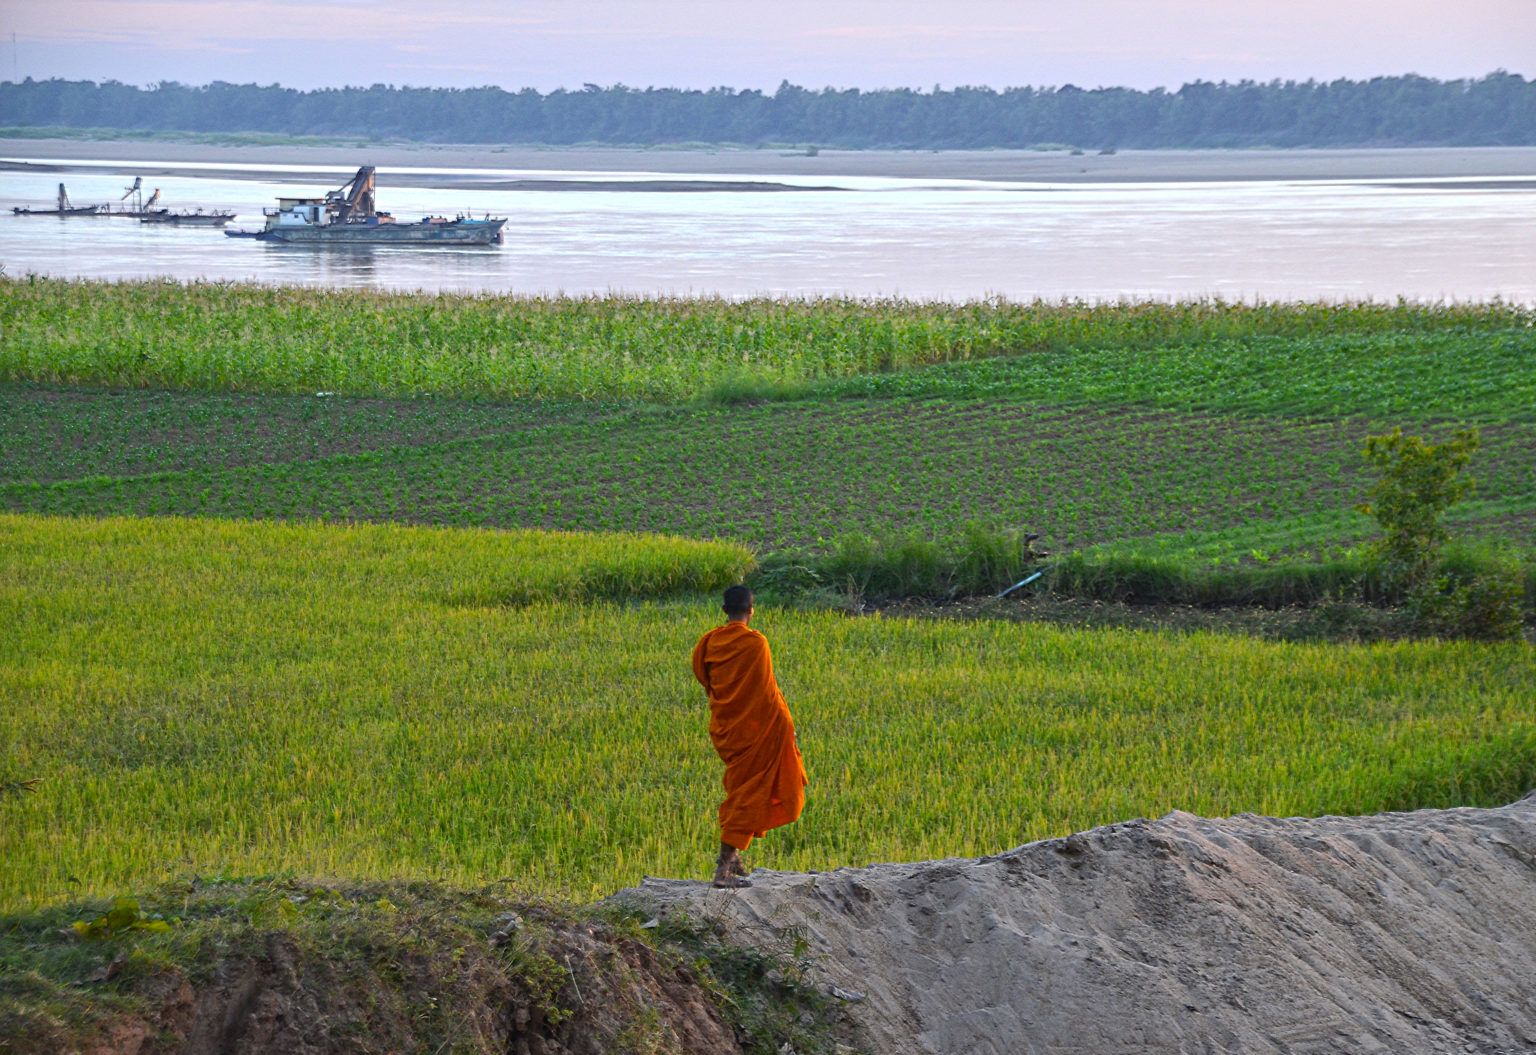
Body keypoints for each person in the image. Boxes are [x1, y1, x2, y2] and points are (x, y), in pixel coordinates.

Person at [691, 585, 807, 889]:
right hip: (762, 729)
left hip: (730, 729)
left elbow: (705, 679)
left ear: (723, 610)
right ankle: (723, 871)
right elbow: (767, 691)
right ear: (752, 610)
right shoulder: (757, 643)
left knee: (742, 788)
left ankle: (734, 857)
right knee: (746, 795)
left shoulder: (709, 642)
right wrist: (788, 727)